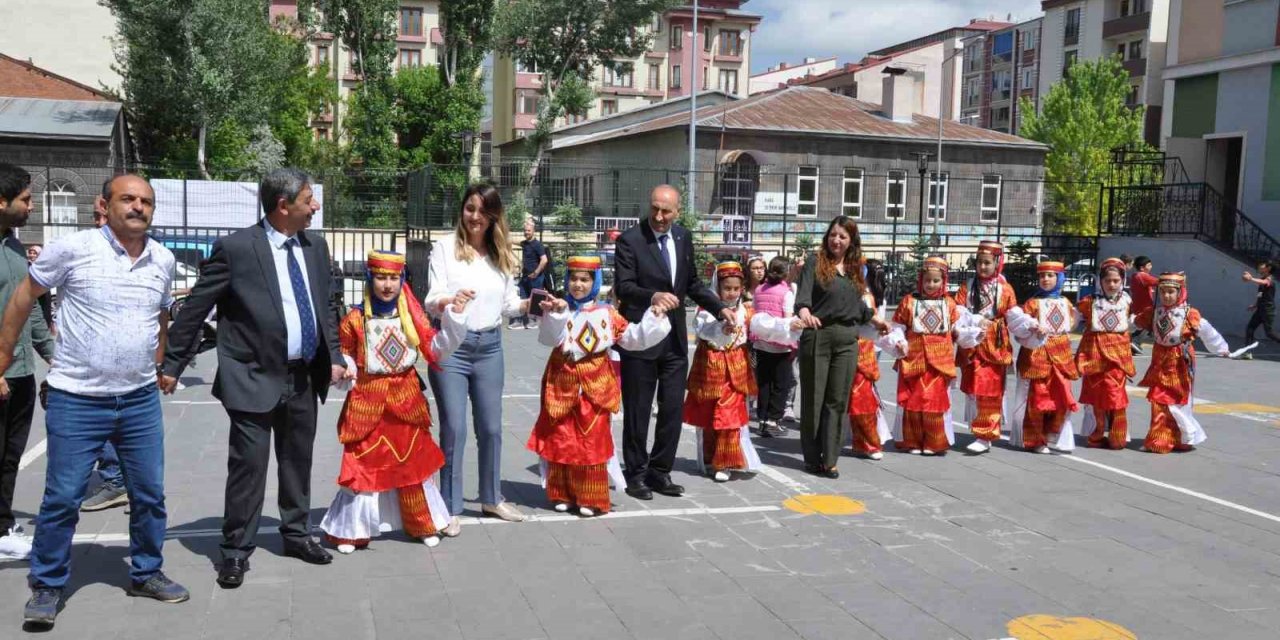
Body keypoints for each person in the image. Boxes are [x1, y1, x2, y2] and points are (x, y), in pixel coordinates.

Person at [1, 174, 187, 628]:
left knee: (148, 494)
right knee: (63, 497)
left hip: (139, 399)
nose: (138, 207)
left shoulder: (162, 259)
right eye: (128, 199)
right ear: (106, 205)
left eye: (146, 201)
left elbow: (161, 312)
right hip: (77, 399)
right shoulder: (74, 247)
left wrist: (161, 360)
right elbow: (25, 296)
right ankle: (47, 583)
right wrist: (3, 357)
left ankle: (146, 571)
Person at [161, 168, 348, 590]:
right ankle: (235, 552)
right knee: (249, 466)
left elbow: (325, 308)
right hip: (251, 375)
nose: (314, 206)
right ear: (284, 206)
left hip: (303, 375)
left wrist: (334, 356)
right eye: (308, 199)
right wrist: (172, 363)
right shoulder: (237, 248)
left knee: (298, 461)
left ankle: (297, 535)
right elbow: (195, 308)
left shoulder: (315, 247)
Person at [319, 251, 469, 552]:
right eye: (380, 277)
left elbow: (437, 348)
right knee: (362, 463)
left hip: (406, 399)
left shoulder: (412, 318)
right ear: (369, 278)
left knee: (413, 462)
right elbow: (344, 354)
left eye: (393, 278)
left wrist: (456, 315)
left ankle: (422, 522)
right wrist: (346, 367)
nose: (387, 284)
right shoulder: (354, 319)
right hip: (367, 401)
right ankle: (351, 531)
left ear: (401, 280)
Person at [527, 255, 673, 516]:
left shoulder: (608, 313)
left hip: (595, 387)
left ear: (594, 283)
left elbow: (634, 338)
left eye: (585, 279)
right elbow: (548, 338)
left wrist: (655, 316)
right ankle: (561, 492)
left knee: (591, 441)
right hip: (562, 383)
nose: (578, 285)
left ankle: (589, 497)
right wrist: (557, 313)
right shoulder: (559, 308)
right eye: (573, 278)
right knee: (562, 437)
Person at [614, 184, 731, 500]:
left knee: (671, 410)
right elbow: (623, 287)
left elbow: (690, 283)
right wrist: (652, 296)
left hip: (675, 342)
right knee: (638, 410)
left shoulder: (683, 237)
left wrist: (720, 309)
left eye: (666, 210)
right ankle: (636, 473)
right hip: (641, 338)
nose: (659, 216)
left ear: (678, 211)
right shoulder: (631, 240)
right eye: (654, 208)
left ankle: (659, 471)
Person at [425, 183, 530, 527]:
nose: (474, 216)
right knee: (454, 428)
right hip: (452, 346)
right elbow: (431, 298)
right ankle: (450, 507)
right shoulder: (444, 248)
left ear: (493, 215)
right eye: (470, 208)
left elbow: (509, 304)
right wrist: (449, 301)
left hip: (489, 347)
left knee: (491, 428)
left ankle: (490, 498)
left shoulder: (501, 255)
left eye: (482, 210)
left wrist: (532, 305)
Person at [684, 261, 801, 482]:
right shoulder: (705, 310)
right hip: (710, 370)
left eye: (736, 288)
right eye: (727, 288)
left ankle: (725, 461)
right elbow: (703, 330)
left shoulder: (746, 310)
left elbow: (763, 324)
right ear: (717, 288)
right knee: (709, 417)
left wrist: (788, 326)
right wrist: (720, 327)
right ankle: (710, 459)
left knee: (730, 417)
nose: (731, 293)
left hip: (736, 371)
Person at [793, 216, 884, 478]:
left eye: (843, 236)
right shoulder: (815, 261)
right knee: (814, 398)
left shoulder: (856, 268)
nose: (836, 240)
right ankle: (812, 457)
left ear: (851, 241)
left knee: (837, 400)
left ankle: (830, 459)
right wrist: (805, 312)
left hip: (847, 339)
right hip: (818, 334)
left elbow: (857, 305)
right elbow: (803, 298)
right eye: (833, 235)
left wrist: (876, 319)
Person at [0, 165, 54, 562]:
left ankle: (3, 525)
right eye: (26, 199)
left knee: (10, 455)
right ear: (1, 202)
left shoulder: (14, 246)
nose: (31, 207)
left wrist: (54, 358)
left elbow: (30, 309)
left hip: (19, 373)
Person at [884, 257, 972, 456]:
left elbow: (958, 330)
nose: (931, 285)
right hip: (913, 360)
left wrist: (972, 335)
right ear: (920, 280)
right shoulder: (909, 301)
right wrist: (899, 341)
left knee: (935, 402)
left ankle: (934, 442)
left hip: (939, 364)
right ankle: (912, 441)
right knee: (913, 402)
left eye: (936, 281)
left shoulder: (950, 305)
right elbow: (898, 326)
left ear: (944, 281)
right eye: (927, 280)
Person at [1134, 273, 1230, 453]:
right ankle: (1159, 440)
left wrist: (1221, 348)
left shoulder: (1189, 314)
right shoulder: (1154, 312)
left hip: (1180, 361)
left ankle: (1180, 438)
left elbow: (1207, 331)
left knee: (1179, 402)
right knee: (1159, 400)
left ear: (1180, 292)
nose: (1167, 296)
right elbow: (1134, 323)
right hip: (1160, 361)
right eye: (1163, 292)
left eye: (1171, 292)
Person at [81, 184, 127, 512]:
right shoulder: (83, 252)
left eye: (100, 217)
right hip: (87, 359)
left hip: (120, 364)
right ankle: (119, 479)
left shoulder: (143, 255)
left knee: (112, 423)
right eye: (96, 217)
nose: (98, 223)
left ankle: (118, 480)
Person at [1008, 261, 1080, 454]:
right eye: (1042, 276)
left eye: (1050, 275)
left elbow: (1070, 325)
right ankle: (1035, 440)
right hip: (1036, 356)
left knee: (1060, 397)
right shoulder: (1031, 304)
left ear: (1060, 279)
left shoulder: (1066, 303)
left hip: (1061, 358)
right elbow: (1019, 331)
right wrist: (1032, 328)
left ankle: (1051, 435)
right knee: (1038, 399)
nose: (1045, 279)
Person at [952, 241, 1017, 454]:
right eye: (979, 262)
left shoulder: (1005, 289)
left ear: (998, 263)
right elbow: (957, 310)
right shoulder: (968, 286)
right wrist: (974, 319)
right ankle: (980, 431)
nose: (982, 267)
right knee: (975, 389)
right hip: (972, 343)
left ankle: (986, 434)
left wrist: (1030, 328)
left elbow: (1013, 315)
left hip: (995, 345)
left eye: (987, 263)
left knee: (991, 389)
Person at [1075, 258, 1136, 449]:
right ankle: (1096, 435)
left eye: (1116, 281)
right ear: (1100, 281)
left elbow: (1133, 323)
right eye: (1107, 280)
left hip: (1118, 358)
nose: (1111, 284)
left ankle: (1118, 437)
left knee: (1116, 395)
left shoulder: (1127, 301)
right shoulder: (1089, 302)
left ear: (1123, 281)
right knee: (1095, 398)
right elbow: (1072, 320)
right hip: (1094, 357)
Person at [846, 259, 891, 460]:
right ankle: (858, 442)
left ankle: (871, 443)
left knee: (861, 399)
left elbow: (875, 327)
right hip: (840, 350)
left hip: (862, 353)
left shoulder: (867, 297)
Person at [752, 257, 798, 438]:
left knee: (764, 383)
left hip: (761, 341)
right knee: (781, 384)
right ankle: (773, 420)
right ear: (786, 273)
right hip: (780, 345)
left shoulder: (759, 289)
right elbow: (787, 319)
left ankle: (762, 419)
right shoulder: (786, 293)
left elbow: (756, 312)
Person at [511, 219, 547, 330]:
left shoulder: (538, 245)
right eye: (525, 230)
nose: (526, 232)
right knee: (523, 297)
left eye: (528, 230)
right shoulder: (525, 243)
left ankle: (534, 321)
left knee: (536, 298)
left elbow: (544, 260)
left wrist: (536, 273)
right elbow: (512, 241)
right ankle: (521, 321)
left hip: (535, 277)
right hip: (525, 276)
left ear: (533, 231)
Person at [1241, 260, 1280, 350]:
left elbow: (1265, 283)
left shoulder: (1270, 279)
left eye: (1263, 265)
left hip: (1268, 310)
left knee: (1269, 333)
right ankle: (1247, 352)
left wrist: (1251, 279)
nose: (1260, 266)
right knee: (1250, 328)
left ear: (1268, 268)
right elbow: (1261, 294)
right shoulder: (1262, 279)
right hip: (1260, 309)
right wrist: (1255, 305)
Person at [1129, 256, 1158, 354]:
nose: (1151, 266)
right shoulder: (1143, 276)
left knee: (1143, 325)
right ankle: (1134, 341)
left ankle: (1132, 344)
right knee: (1147, 325)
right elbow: (1158, 281)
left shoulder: (1135, 276)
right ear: (1142, 268)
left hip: (1138, 306)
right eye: (1149, 265)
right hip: (1144, 307)